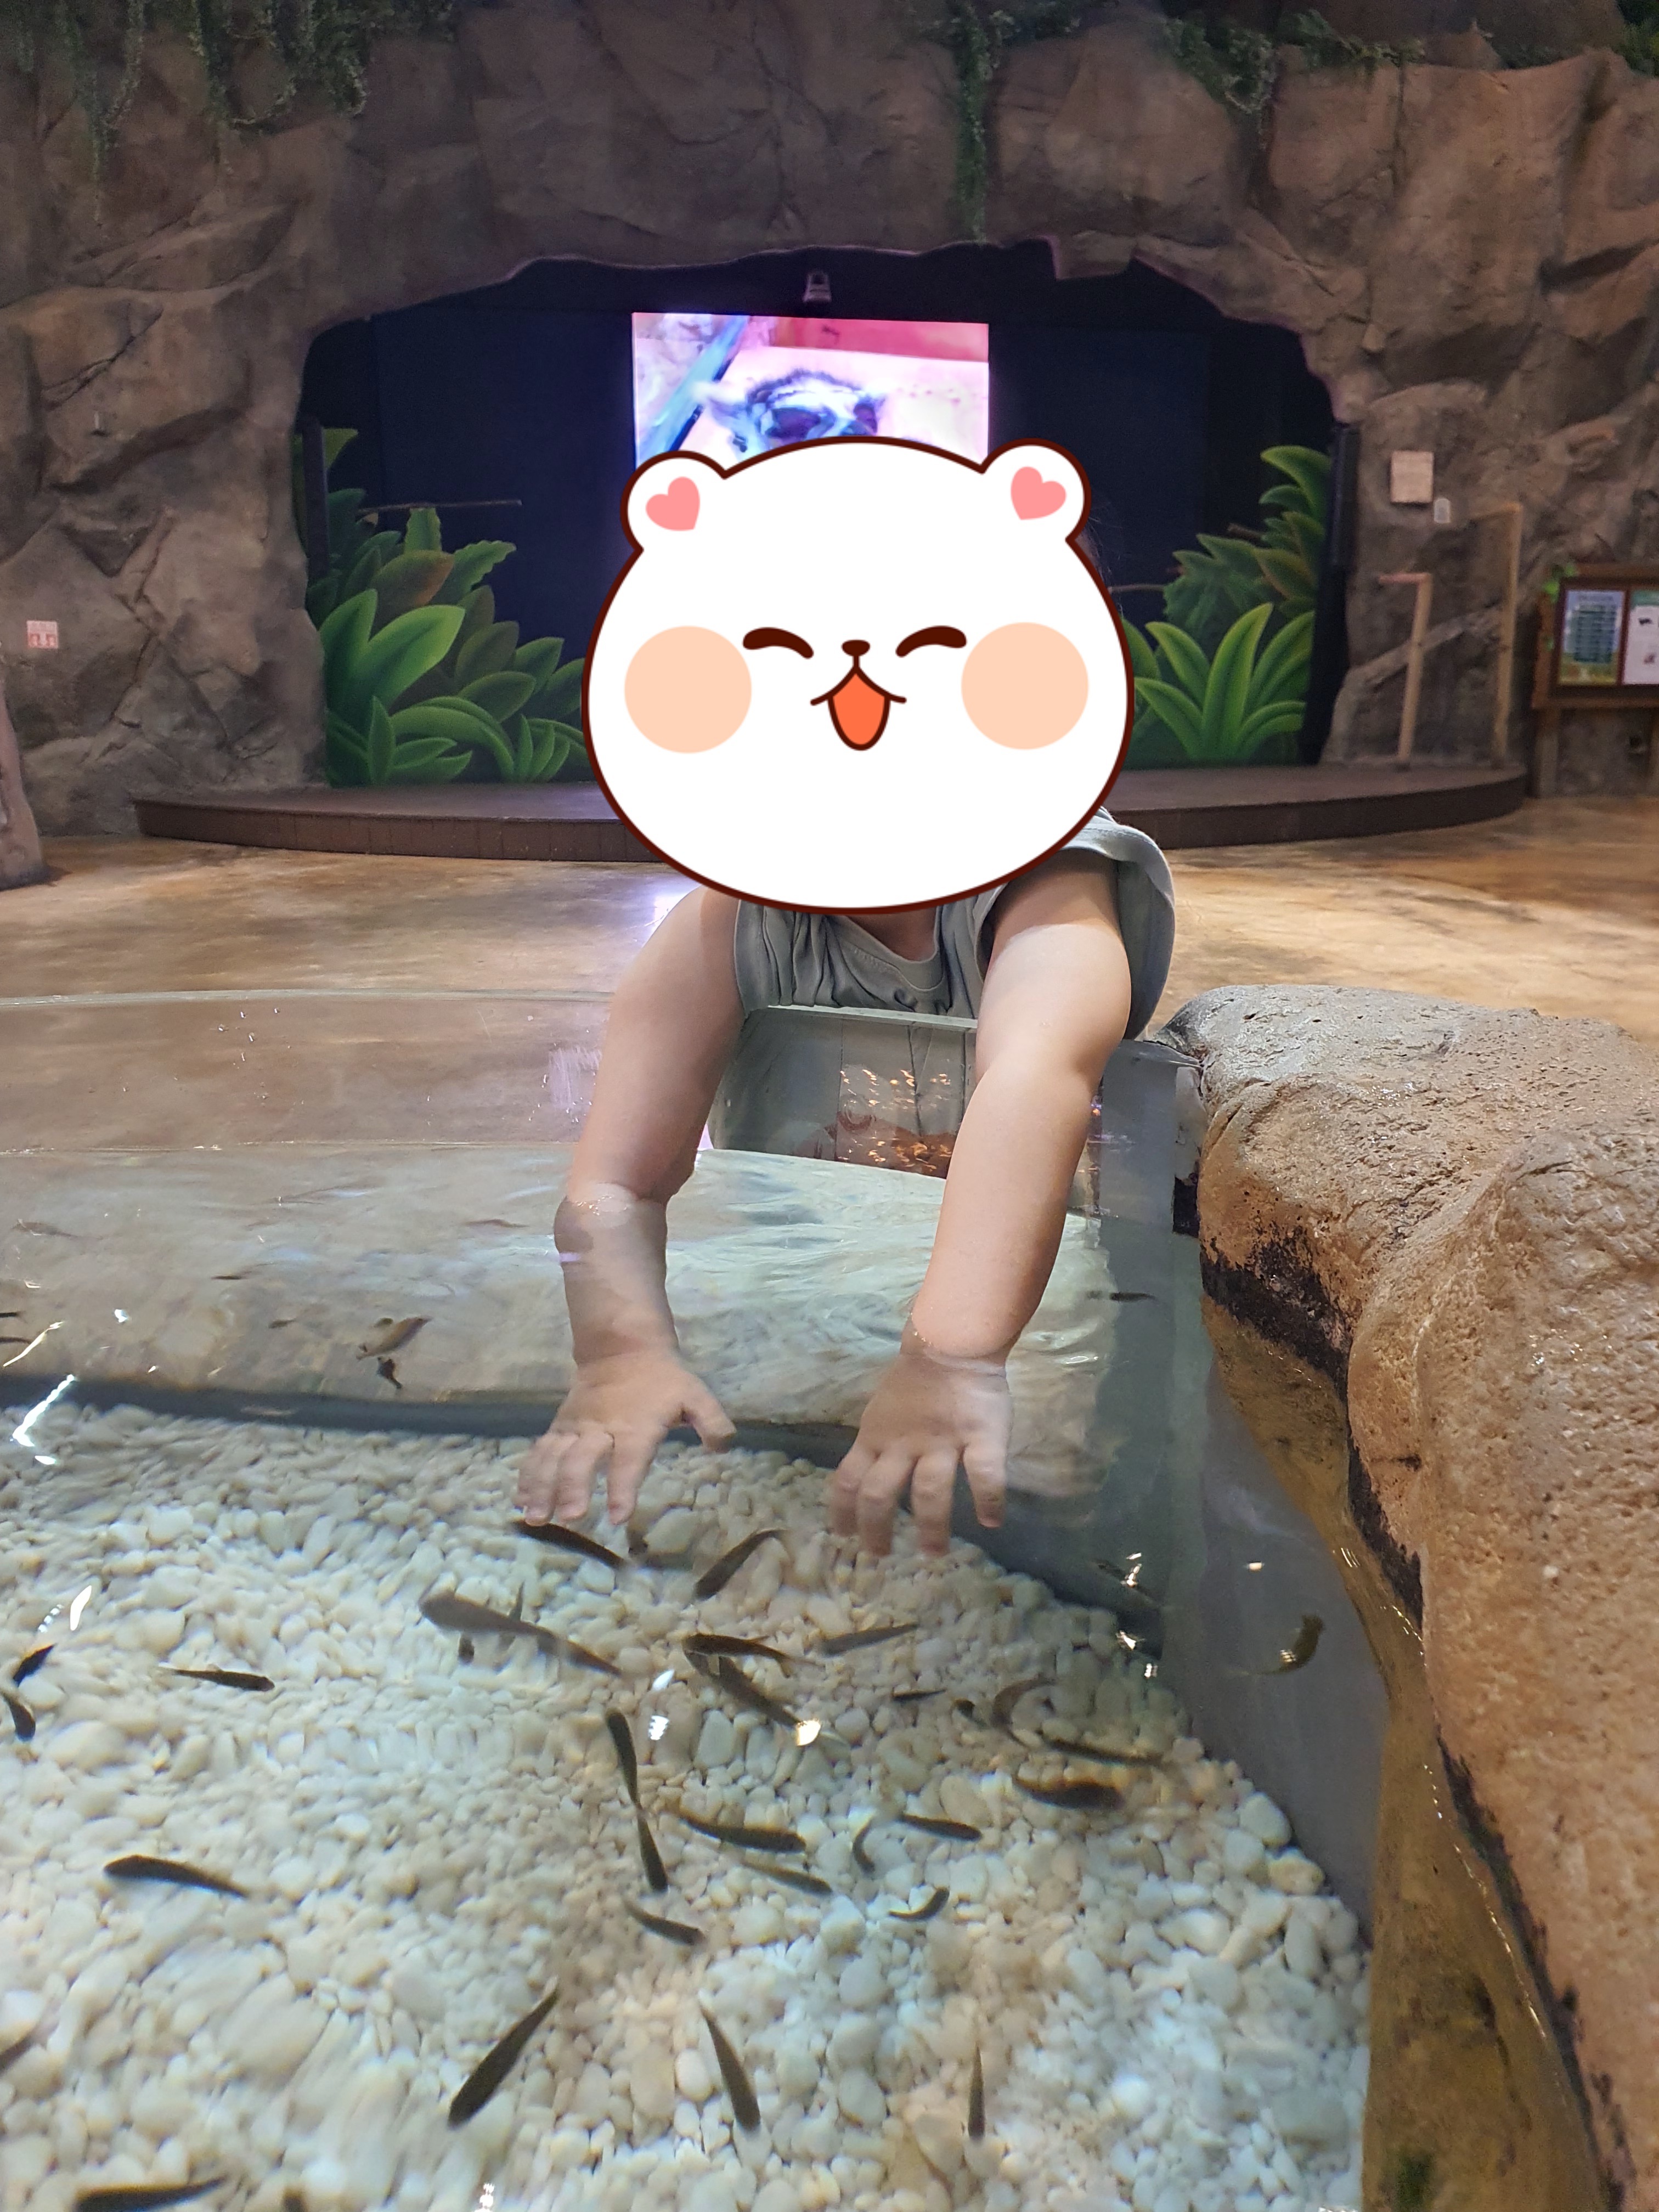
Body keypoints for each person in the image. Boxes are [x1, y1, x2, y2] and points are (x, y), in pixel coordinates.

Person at [515, 806, 1175, 1559]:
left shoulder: (1047, 872)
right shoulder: (735, 920)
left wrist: (951, 1356)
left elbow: (1035, 1075)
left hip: (1014, 1309)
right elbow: (616, 1183)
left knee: (1034, 1507)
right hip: (807, 1302)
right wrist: (621, 1352)